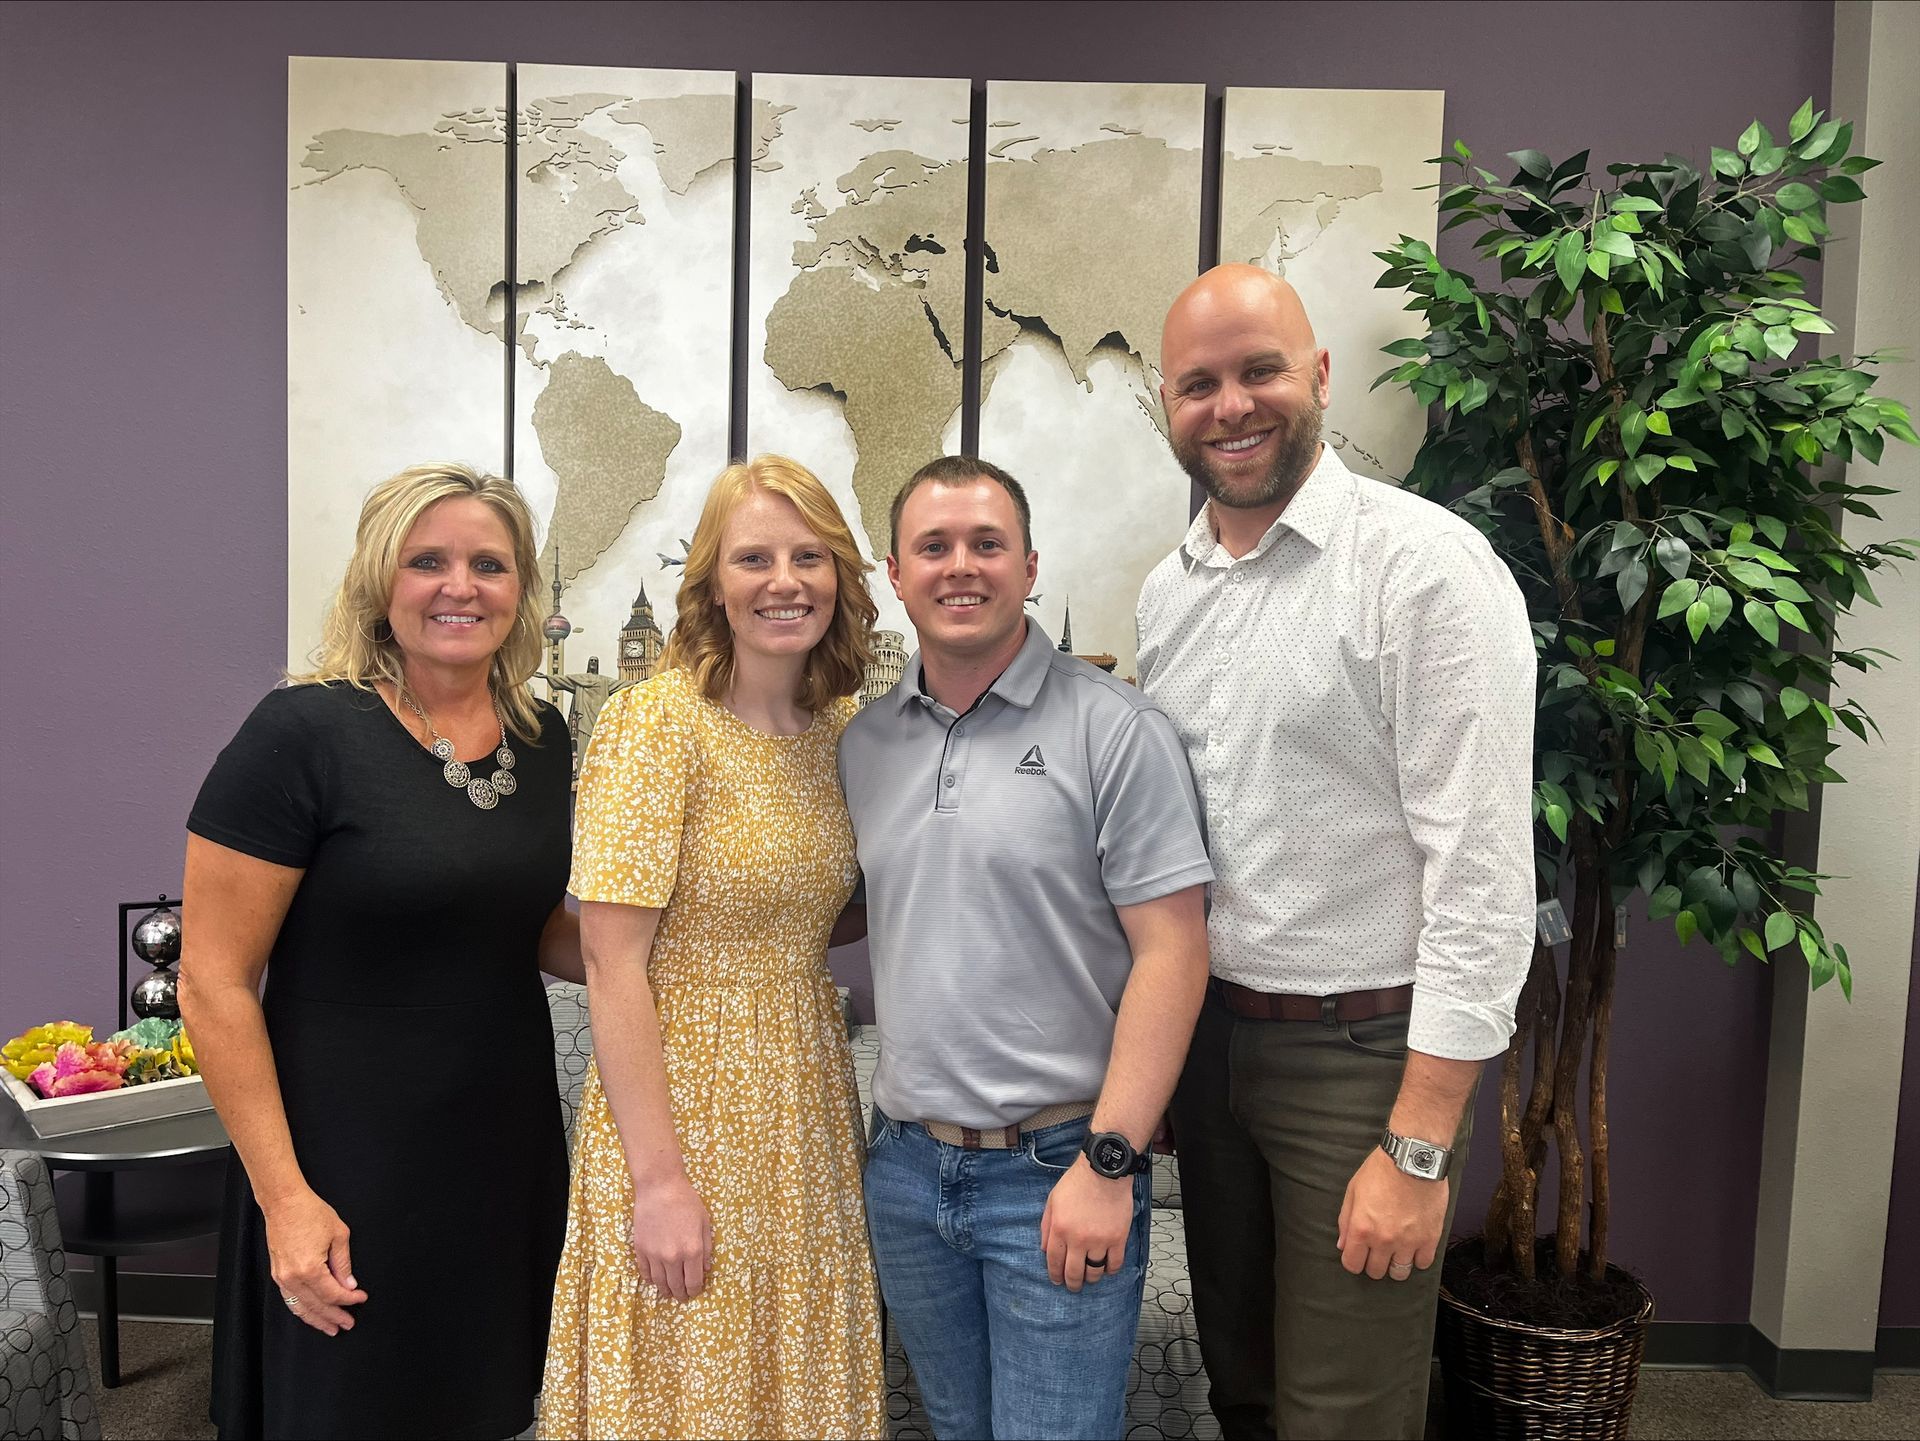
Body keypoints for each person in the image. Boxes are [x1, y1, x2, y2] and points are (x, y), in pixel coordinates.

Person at [1137, 264, 1536, 1440]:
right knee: (1244, 1389)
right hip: (1214, 1052)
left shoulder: (1424, 569)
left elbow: (1483, 874)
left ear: (1317, 374)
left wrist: (1416, 1147)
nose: (1232, 405)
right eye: (1199, 383)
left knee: (1344, 1415)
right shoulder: (1172, 590)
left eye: (1259, 370)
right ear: (1169, 405)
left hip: (1363, 1061)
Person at [180, 462, 580, 1439]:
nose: (461, 586)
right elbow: (213, 982)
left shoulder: (542, 739)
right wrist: (286, 1197)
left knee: (482, 1402)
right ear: (378, 581)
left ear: (520, 587)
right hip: (343, 1156)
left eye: (489, 563)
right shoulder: (302, 732)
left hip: (500, 1147)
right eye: (428, 560)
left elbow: (521, 924)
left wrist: (693, 943)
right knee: (346, 1404)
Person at [841, 456, 1214, 1440]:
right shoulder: (864, 744)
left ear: (1030, 563)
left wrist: (1109, 1160)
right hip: (909, 1174)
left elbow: (1173, 952)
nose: (960, 566)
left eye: (986, 543)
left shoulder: (1118, 731)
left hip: (1060, 1166)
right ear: (895, 572)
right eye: (934, 546)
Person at [538, 455, 885, 1439]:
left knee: (793, 1375)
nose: (785, 580)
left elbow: (824, 909)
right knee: (687, 1377)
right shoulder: (657, 723)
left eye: (808, 555)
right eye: (755, 557)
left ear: (840, 576)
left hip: (804, 1101)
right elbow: (610, 965)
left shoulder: (841, 728)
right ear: (713, 583)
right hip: (680, 1104)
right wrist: (659, 1183)